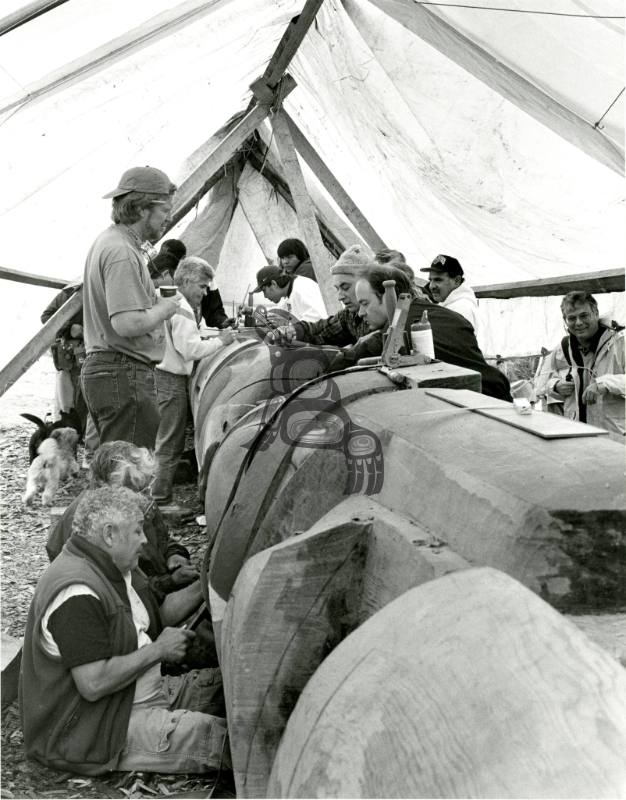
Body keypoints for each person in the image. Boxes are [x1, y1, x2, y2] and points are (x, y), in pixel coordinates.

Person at [20, 486, 227, 776]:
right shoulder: (76, 592)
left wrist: (206, 581)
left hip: (136, 694)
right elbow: (93, 684)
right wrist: (158, 650)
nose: (144, 541)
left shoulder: (111, 566)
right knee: (232, 742)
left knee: (232, 689)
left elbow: (155, 619)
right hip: (96, 729)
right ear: (109, 534)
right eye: (138, 531)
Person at [81, 166, 181, 449]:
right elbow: (127, 323)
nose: (168, 218)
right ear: (140, 209)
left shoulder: (110, 241)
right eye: (164, 210)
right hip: (123, 373)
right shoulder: (122, 252)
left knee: (112, 472)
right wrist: (165, 307)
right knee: (127, 476)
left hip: (111, 371)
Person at [46, 441, 198, 601]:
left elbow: (163, 541)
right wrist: (171, 582)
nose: (144, 495)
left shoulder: (134, 500)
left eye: (147, 485)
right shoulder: (95, 524)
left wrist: (173, 555)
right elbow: (121, 590)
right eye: (136, 487)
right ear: (108, 485)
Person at [339, 265, 512, 401]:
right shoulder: (448, 315)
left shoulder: (392, 334)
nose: (360, 313)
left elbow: (341, 365)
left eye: (365, 303)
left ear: (387, 297)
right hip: (499, 394)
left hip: (474, 404)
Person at [152, 257, 235, 506]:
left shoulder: (164, 297)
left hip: (157, 374)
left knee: (163, 438)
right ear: (186, 281)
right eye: (201, 285)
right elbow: (190, 349)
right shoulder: (184, 308)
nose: (204, 291)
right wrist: (223, 341)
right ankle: (161, 499)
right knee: (170, 441)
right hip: (171, 379)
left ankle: (156, 494)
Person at [544, 291, 624, 442]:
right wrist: (556, 386)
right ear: (565, 320)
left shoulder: (620, 341)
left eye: (584, 315)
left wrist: (604, 384)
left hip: (614, 435)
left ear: (595, 313)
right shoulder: (563, 348)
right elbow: (544, 382)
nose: (578, 323)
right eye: (572, 318)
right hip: (575, 433)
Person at [267, 244, 374, 347]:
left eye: (345, 287)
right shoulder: (348, 316)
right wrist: (296, 331)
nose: (340, 297)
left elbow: (360, 352)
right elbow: (324, 330)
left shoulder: (381, 318)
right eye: (337, 289)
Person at [420, 254, 482, 337]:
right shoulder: (450, 304)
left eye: (438, 280)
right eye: (430, 280)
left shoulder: (461, 309)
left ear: (457, 281)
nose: (431, 286)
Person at [252, 265, 326, 323]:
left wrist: (293, 329)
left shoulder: (301, 288)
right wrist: (254, 312)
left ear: (274, 284)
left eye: (264, 290)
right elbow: (279, 312)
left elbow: (319, 317)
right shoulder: (289, 292)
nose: (265, 296)